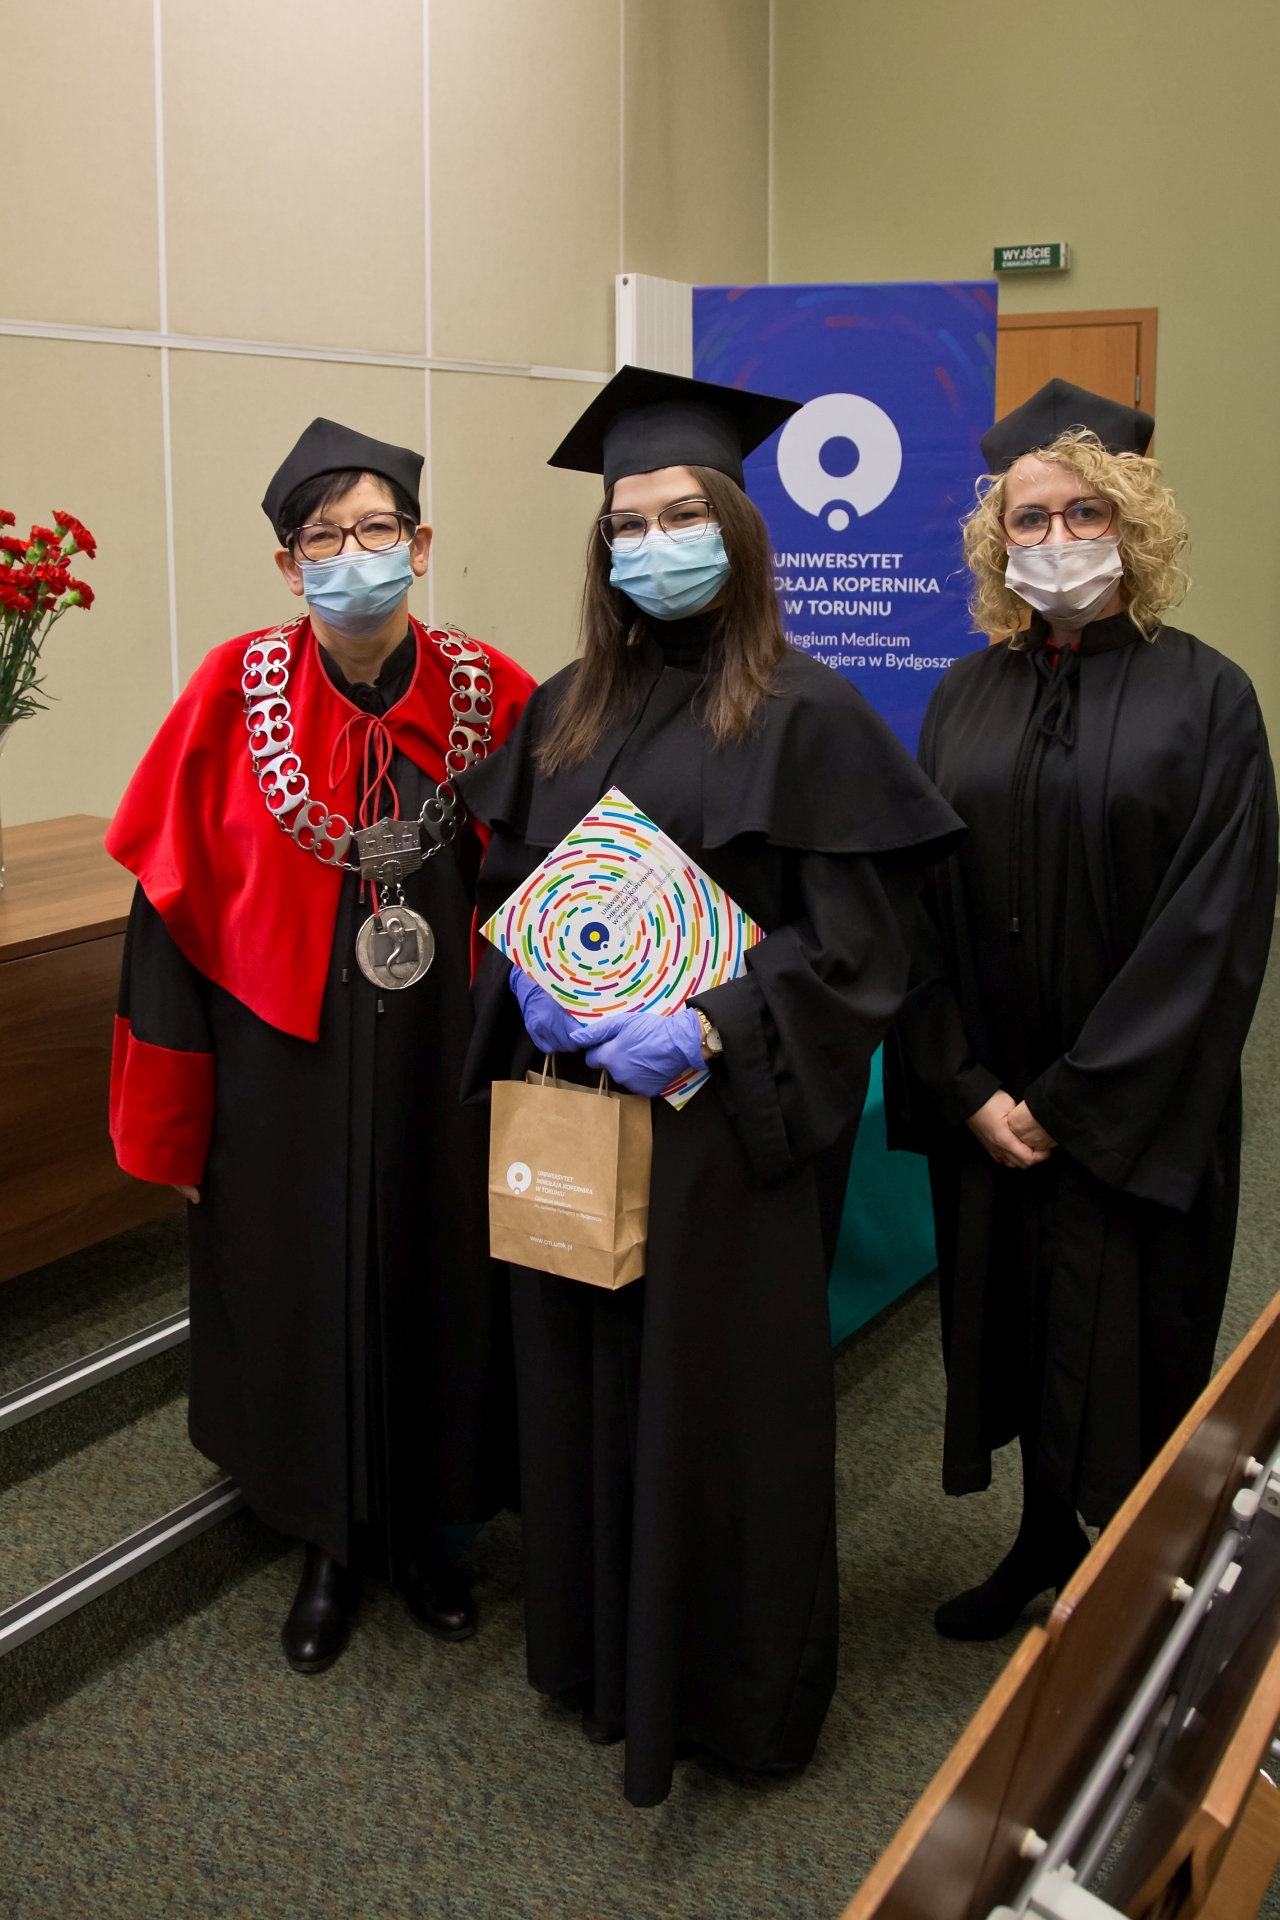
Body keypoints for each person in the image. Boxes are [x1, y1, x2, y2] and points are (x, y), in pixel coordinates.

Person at [457, 366, 963, 1806]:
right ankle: (597, 1657)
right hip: (576, 1116)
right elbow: (508, 879)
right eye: (627, 524)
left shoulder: (810, 715)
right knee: (577, 1381)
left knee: (717, 1406)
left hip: (718, 1139)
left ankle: (733, 1698)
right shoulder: (563, 709)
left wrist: (714, 1021)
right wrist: (527, 978)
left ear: (737, 532)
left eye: (681, 515)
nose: (652, 543)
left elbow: (864, 947)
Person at [107, 417, 536, 1672]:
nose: (354, 556)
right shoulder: (229, 694)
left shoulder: (493, 693)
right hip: (280, 1069)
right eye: (323, 538)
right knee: (296, 1290)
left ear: (421, 543)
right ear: (287, 565)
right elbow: (166, 921)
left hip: (446, 1063)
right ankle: (325, 1542)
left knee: (448, 1280)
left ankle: (431, 1535)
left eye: (377, 529)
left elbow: (558, 877)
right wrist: (173, 1119)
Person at [886, 379, 1278, 1641]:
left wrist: (1066, 1102)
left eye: (1083, 513)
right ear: (996, 538)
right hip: (993, 1095)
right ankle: (1039, 1540)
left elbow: (1209, 926)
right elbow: (916, 908)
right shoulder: (962, 694)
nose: (1054, 539)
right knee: (1014, 1324)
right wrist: (964, 1089)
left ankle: (1139, 1576)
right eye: (1029, 518)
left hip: (1133, 1099)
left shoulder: (1208, 699)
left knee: (1129, 1338)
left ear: (1132, 523)